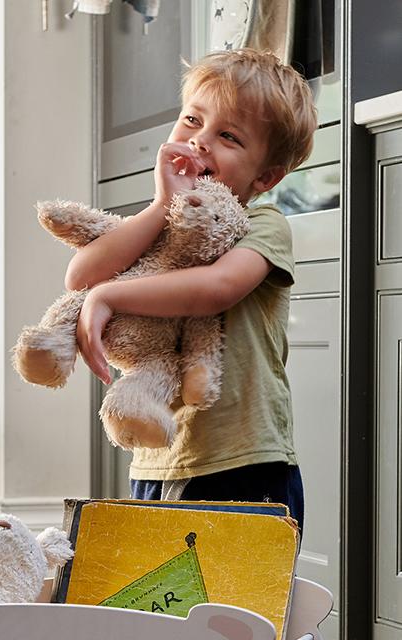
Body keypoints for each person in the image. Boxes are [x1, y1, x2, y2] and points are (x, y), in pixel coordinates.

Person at [66, 49, 317, 534]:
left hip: (244, 461)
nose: (199, 142)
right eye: (191, 121)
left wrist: (111, 297)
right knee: (163, 607)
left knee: (239, 606)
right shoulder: (161, 225)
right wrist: (163, 203)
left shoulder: (264, 224)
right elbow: (81, 275)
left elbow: (216, 288)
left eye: (227, 136)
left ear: (264, 176)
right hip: (159, 461)